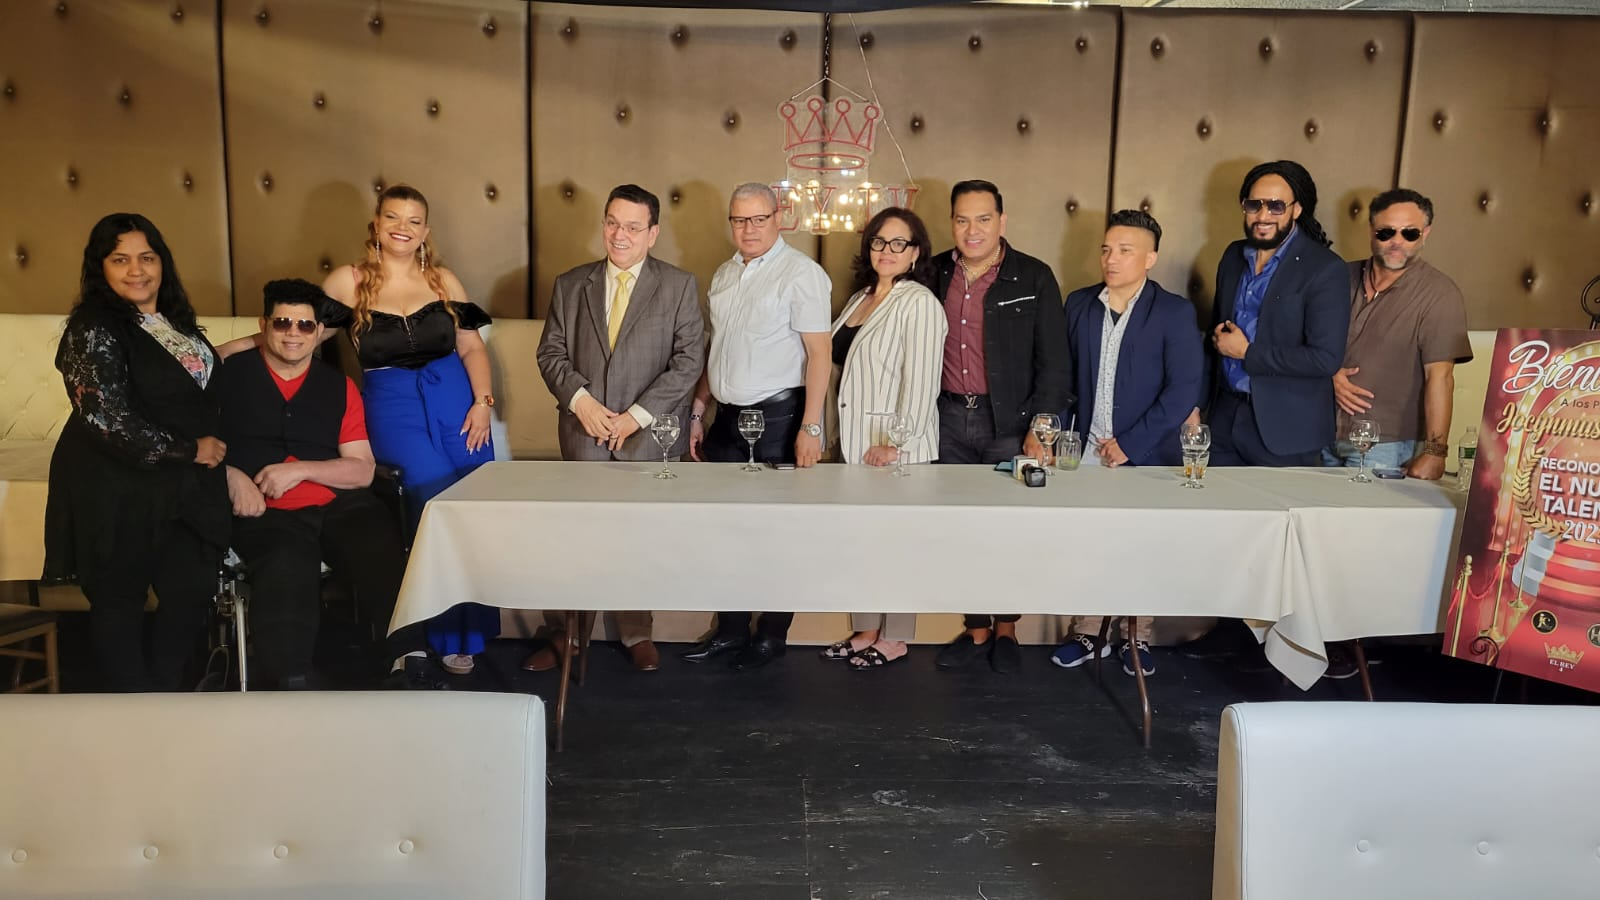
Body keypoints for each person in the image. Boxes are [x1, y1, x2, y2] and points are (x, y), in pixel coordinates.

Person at [222, 184, 499, 676]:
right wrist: (225, 351)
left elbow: (471, 346)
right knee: (429, 504)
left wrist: (482, 403)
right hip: (392, 404)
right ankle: (428, 633)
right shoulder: (348, 281)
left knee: (475, 508)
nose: (402, 228)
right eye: (393, 217)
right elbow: (299, 331)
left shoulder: (443, 279)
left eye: (414, 220)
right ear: (376, 223)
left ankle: (470, 636)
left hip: (458, 400)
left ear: (426, 231)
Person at [43, 213, 230, 691]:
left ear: (162, 262)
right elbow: (107, 418)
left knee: (190, 591)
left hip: (181, 487)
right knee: (119, 602)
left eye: (146, 257)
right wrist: (190, 449)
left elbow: (184, 377)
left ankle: (163, 695)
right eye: (119, 259)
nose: (136, 270)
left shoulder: (173, 321)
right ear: (99, 267)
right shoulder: (92, 326)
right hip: (115, 485)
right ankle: (131, 705)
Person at [215, 278, 430, 688]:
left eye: (305, 325)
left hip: (335, 503)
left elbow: (361, 469)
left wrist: (301, 470)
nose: (293, 334)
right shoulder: (225, 376)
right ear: (263, 324)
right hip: (263, 509)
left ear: (318, 332)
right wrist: (231, 475)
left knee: (378, 542)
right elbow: (198, 445)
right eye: (282, 323)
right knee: (285, 560)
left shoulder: (338, 386)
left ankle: (408, 662)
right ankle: (291, 680)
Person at [531, 184, 705, 674]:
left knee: (638, 539)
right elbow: (550, 352)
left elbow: (689, 361)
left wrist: (636, 416)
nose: (619, 235)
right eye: (612, 222)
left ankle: (636, 633)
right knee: (577, 541)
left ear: (653, 233)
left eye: (632, 226)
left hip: (647, 436)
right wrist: (582, 402)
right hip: (583, 431)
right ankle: (568, 636)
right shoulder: (571, 283)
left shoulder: (678, 286)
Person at [682, 182, 832, 671]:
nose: (748, 229)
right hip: (726, 418)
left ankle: (771, 635)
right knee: (726, 531)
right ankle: (730, 631)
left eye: (758, 219)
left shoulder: (802, 273)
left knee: (777, 535)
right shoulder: (725, 273)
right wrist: (698, 409)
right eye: (739, 219)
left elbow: (819, 354)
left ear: (778, 217)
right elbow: (718, 348)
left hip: (780, 420)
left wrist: (811, 427)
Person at [1049, 210, 1203, 678]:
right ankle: (1087, 633)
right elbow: (1061, 377)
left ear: (1150, 258)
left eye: (1124, 251)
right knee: (1089, 544)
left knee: (1143, 547)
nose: (1111, 259)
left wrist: (1131, 444)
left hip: (1148, 456)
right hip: (1086, 453)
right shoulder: (1079, 304)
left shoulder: (1174, 311)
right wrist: (1057, 435)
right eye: (1106, 249)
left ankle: (1137, 636)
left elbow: (1183, 389)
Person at [930, 179, 1071, 675]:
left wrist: (1042, 426)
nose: (973, 230)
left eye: (984, 219)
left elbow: (1055, 363)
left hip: (1010, 421)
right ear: (952, 223)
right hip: (946, 419)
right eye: (963, 219)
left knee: (1009, 529)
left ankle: (1007, 629)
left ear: (1002, 222)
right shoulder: (932, 273)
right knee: (960, 529)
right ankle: (976, 629)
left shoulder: (1033, 276)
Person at [818, 207, 946, 670]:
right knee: (863, 544)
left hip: (893, 452)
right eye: (878, 241)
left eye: (898, 243)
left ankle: (895, 637)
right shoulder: (860, 298)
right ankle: (867, 629)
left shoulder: (920, 303)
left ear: (915, 253)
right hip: (853, 446)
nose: (886, 251)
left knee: (897, 546)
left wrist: (899, 442)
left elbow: (923, 381)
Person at [1206, 160, 1349, 467]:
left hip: (1286, 429)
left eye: (1276, 206)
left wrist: (1247, 352)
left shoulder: (1325, 268)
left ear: (1297, 209)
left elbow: (1325, 359)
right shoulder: (1232, 256)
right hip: (1224, 419)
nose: (1263, 216)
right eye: (1254, 205)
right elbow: (1214, 336)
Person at [1325, 188, 1471, 478]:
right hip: (1318, 432)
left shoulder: (1440, 294)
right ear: (1371, 230)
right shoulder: (1337, 277)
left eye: (1410, 234)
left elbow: (1440, 378)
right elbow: (1302, 342)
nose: (1397, 242)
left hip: (1384, 444)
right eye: (1386, 232)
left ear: (1425, 234)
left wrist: (1435, 452)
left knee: (1364, 511)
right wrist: (1328, 373)